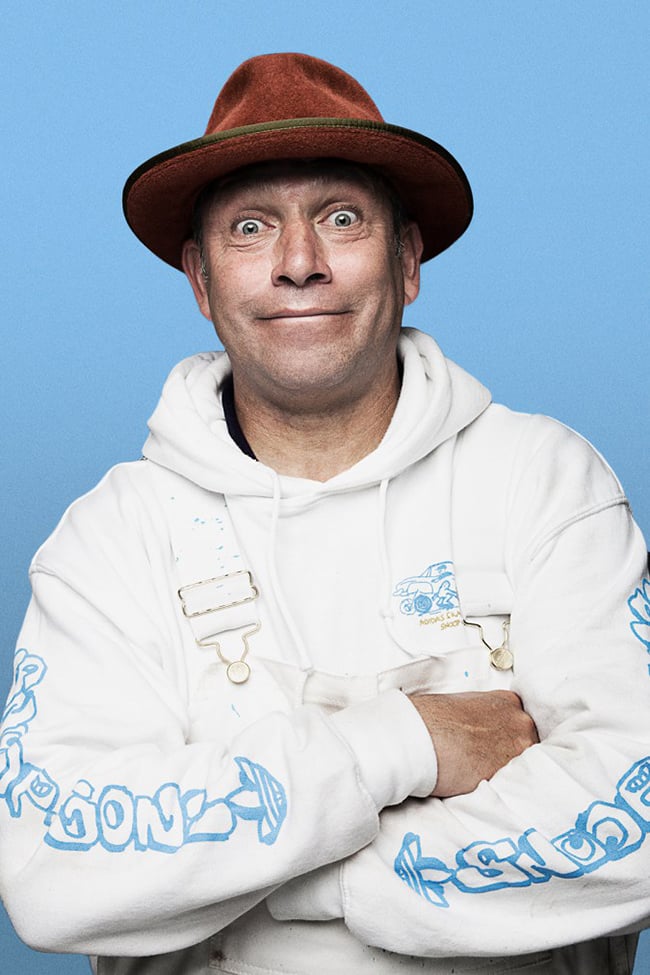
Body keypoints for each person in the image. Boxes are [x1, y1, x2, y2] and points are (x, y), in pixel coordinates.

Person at [1, 52, 649, 975]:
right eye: (251, 228)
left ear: (407, 260)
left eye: (341, 219)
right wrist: (404, 741)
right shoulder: (110, 538)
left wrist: (294, 881)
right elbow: (49, 872)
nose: (299, 264)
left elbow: (637, 815)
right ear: (200, 280)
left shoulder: (545, 481)